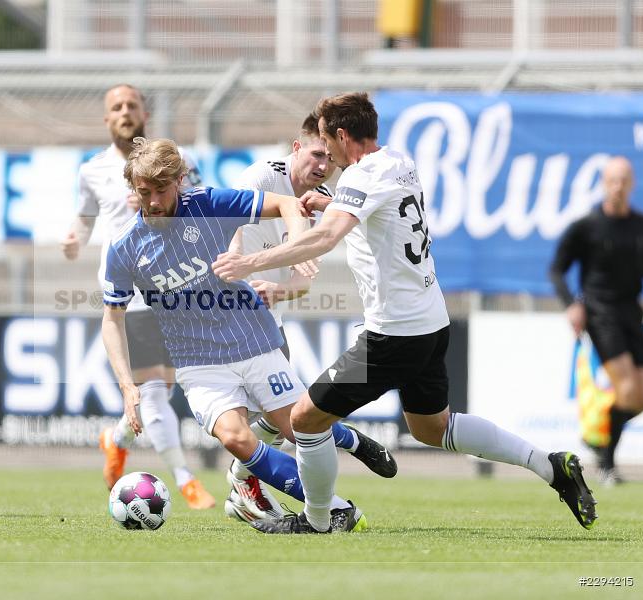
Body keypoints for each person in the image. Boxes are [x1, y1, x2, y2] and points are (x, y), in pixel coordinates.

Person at [212, 92, 598, 533]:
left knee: (305, 419)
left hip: (391, 339)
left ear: (341, 136)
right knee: (433, 428)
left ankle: (319, 519)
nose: (328, 157)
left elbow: (324, 240)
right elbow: (369, 207)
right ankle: (550, 466)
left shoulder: (360, 179)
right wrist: (329, 203)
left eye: (327, 143)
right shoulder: (397, 161)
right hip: (431, 324)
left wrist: (249, 263)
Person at [103, 136, 372, 534]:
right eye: (144, 193)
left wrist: (300, 247)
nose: (154, 201)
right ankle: (333, 510)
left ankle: (350, 441)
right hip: (197, 361)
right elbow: (112, 318)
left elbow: (283, 204)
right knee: (233, 436)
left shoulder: (208, 204)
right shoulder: (126, 247)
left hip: (254, 341)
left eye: (162, 190)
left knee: (298, 429)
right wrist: (128, 387)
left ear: (179, 181)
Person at [223, 114, 397, 524]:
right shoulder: (262, 178)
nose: (323, 165)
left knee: (281, 414)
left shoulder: (321, 201)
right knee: (278, 416)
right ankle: (347, 445)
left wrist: (276, 290)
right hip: (228, 315)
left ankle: (244, 485)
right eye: (316, 154)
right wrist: (240, 278)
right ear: (296, 148)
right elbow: (226, 231)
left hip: (268, 320)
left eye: (330, 160)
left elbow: (301, 284)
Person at [61, 84, 215, 509]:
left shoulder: (178, 161)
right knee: (153, 393)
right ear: (106, 119)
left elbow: (205, 206)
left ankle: (118, 437)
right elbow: (87, 218)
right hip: (132, 294)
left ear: (145, 113)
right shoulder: (92, 170)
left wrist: (162, 196)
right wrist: (76, 238)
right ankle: (185, 480)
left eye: (132, 105)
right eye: (116, 107)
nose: (125, 112)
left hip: (179, 286)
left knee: (164, 388)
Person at [549, 156, 643, 485]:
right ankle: (607, 464)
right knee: (627, 388)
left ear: (632, 184)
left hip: (632, 313)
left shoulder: (640, 223)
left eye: (623, 180)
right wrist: (572, 305)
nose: (618, 186)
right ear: (604, 183)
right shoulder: (588, 226)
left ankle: (600, 435)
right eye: (612, 180)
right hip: (601, 313)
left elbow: (642, 264)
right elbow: (557, 268)